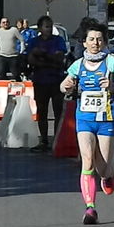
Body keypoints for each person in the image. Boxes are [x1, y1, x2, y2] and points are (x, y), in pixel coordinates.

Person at [60, 20, 114, 224]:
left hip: (106, 118)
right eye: (91, 39)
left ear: (105, 42)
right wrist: (68, 86)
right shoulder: (78, 64)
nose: (95, 43)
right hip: (85, 119)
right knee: (87, 161)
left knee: (103, 167)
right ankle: (90, 208)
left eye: (99, 39)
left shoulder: (111, 62)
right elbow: (64, 86)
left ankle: (107, 178)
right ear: (84, 42)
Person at [27, 15, 67, 152]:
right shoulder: (33, 42)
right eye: (46, 26)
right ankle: (43, 140)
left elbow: (60, 58)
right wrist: (47, 59)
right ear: (39, 28)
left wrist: (42, 56)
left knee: (58, 111)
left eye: (50, 26)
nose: (49, 29)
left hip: (56, 80)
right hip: (40, 80)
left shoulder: (58, 40)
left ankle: (57, 139)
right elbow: (31, 60)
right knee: (41, 111)